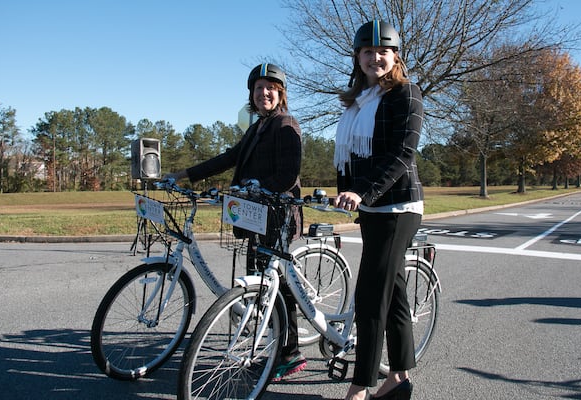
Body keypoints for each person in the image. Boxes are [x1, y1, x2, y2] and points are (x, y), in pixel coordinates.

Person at [163, 63, 307, 380]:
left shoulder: (286, 124)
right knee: (257, 283)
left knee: (277, 286)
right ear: (252, 95)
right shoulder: (257, 128)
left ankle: (290, 351)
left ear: (280, 93)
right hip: (255, 215)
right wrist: (185, 175)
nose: (264, 93)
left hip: (276, 217)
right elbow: (228, 158)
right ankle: (269, 343)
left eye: (271, 88)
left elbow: (287, 175)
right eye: (258, 88)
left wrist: (255, 190)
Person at [332, 21, 424, 400]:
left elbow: (401, 155)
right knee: (393, 294)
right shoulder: (357, 102)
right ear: (358, 58)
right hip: (372, 208)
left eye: (383, 51)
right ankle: (398, 380)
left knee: (370, 296)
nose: (375, 57)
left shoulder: (407, 94)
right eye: (367, 52)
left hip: (399, 206)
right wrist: (343, 193)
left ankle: (359, 386)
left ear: (395, 55)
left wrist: (361, 191)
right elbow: (351, 157)